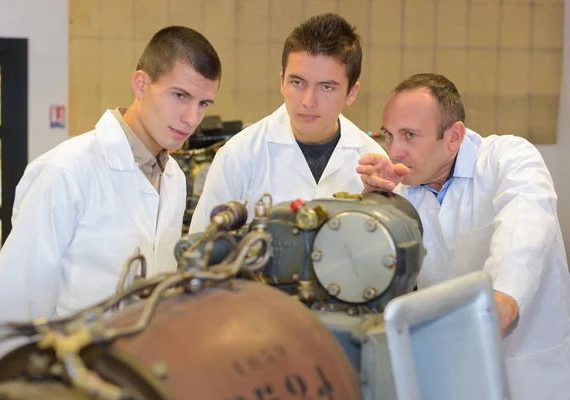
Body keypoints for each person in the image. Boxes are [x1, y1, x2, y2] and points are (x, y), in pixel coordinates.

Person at [0, 26, 222, 359]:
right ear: (141, 84)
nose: (191, 118)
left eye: (203, 103)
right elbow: (15, 300)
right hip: (71, 377)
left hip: (139, 374)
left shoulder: (175, 179)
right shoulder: (67, 169)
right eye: (180, 96)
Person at [357, 73, 570, 399]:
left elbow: (526, 224)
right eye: (390, 135)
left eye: (410, 135)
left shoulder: (509, 158)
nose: (395, 151)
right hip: (450, 369)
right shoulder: (406, 190)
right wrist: (378, 205)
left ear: (454, 136)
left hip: (528, 371)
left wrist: (503, 300)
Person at [188, 13, 385, 232]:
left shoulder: (373, 163)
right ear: (282, 81)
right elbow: (201, 248)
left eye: (326, 87)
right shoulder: (238, 155)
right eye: (298, 82)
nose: (308, 101)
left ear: (351, 93)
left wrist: (381, 199)